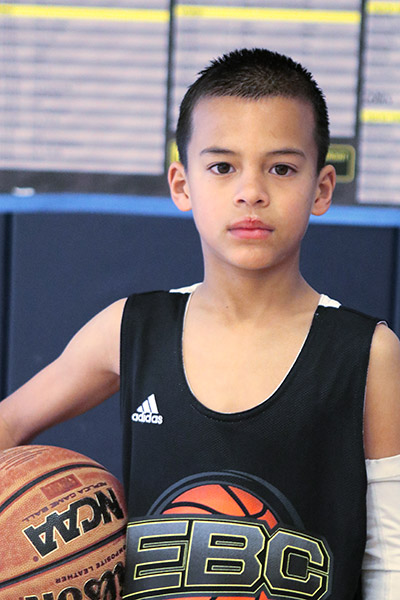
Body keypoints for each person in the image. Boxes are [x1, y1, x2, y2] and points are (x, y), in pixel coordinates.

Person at [0, 48, 399, 599]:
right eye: (223, 167)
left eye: (282, 168)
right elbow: (10, 422)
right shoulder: (129, 329)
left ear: (322, 188)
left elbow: (390, 556)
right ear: (182, 184)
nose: (251, 191)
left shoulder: (367, 352)